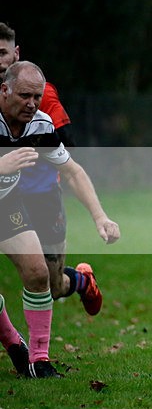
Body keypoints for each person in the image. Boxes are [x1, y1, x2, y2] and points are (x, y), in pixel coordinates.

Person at [0, 61, 120, 378]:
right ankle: (15, 345)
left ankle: (39, 361)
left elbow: (73, 171)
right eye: (25, 95)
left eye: (37, 97)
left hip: (7, 207)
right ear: (5, 90)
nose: (32, 104)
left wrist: (100, 218)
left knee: (41, 276)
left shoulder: (40, 125)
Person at [0, 23, 102, 317]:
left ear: (15, 54)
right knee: (33, 275)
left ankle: (81, 281)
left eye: (2, 53)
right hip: (8, 199)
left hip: (41, 195)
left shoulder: (38, 94)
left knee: (51, 284)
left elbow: (67, 152)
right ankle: (24, 352)